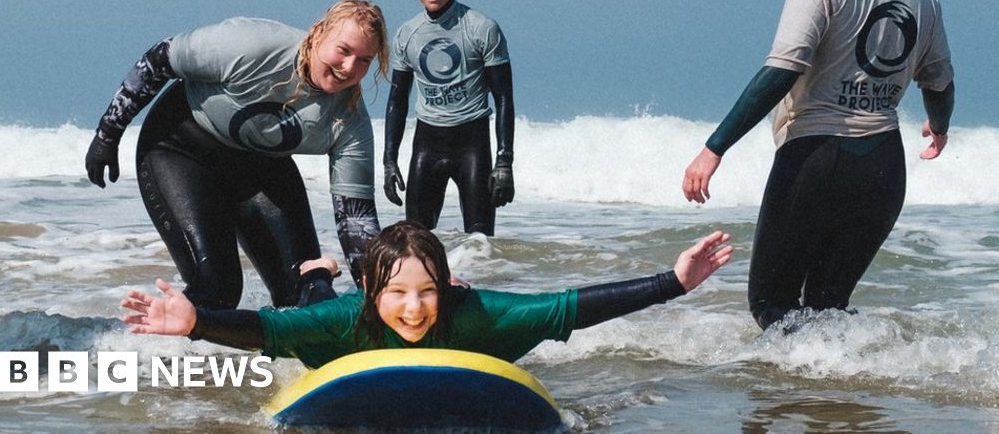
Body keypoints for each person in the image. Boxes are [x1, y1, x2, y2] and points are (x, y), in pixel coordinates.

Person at [682, 0, 955, 330]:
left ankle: (794, 402)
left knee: (772, 305)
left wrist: (714, 148)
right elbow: (941, 83)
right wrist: (940, 125)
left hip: (816, 159)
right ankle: (834, 399)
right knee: (828, 310)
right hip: (883, 169)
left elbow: (782, 71)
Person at [85, 0, 390, 310]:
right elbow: (160, 58)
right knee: (217, 290)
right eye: (344, 50)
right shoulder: (253, 46)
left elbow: (356, 220)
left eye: (364, 60)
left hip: (260, 168)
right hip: (179, 150)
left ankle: (286, 353)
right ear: (319, 33)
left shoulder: (350, 120)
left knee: (306, 290)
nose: (349, 68)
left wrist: (384, 298)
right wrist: (108, 134)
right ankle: (150, 349)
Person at [121, 221, 733, 369]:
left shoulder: (478, 315)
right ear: (372, 293)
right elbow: (267, 331)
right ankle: (319, 270)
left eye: (428, 292)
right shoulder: (345, 320)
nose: (413, 309)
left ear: (448, 287)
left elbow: (572, 305)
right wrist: (198, 320)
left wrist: (671, 283)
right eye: (397, 294)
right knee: (307, 303)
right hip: (333, 344)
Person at [382, 0, 515, 236]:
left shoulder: (482, 28)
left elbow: (503, 96)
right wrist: (389, 160)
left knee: (480, 243)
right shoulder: (407, 35)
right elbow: (397, 100)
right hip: (427, 144)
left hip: (472, 145)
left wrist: (504, 161)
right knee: (415, 242)